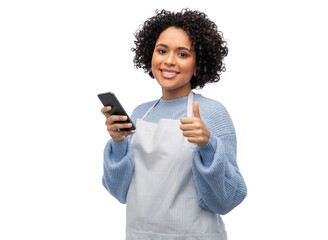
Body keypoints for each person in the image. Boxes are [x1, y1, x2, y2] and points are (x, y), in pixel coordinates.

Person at [100, 9, 247, 240]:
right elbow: (119, 192)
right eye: (162, 51)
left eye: (182, 54)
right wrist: (118, 143)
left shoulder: (212, 113)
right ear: (150, 55)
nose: (169, 61)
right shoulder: (140, 113)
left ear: (198, 64)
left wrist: (208, 144)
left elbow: (228, 199)